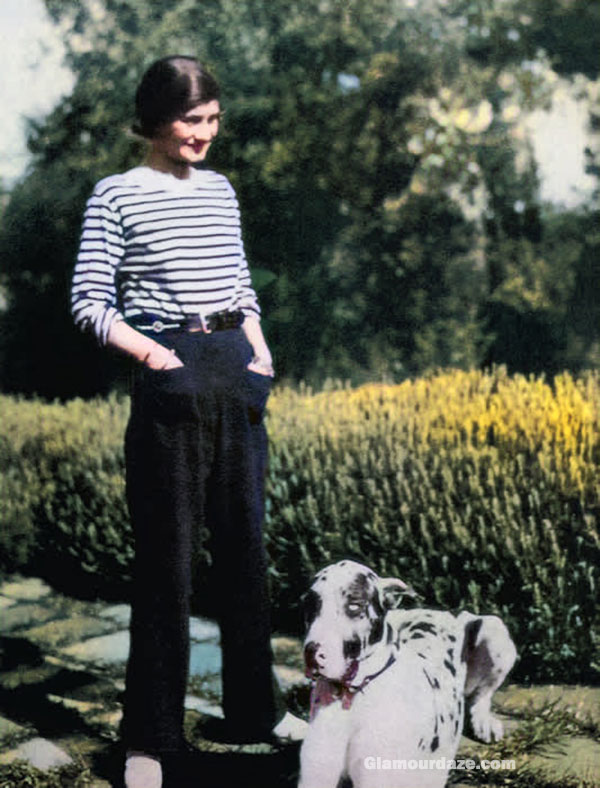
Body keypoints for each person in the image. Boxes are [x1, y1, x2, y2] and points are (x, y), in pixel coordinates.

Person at [71, 55, 306, 788]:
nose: (204, 134)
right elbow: (89, 301)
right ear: (154, 118)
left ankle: (252, 714)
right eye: (190, 120)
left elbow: (238, 279)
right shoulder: (115, 195)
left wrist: (259, 350)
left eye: (212, 120)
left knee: (244, 552)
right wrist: (153, 355)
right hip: (171, 373)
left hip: (235, 367)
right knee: (166, 567)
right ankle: (149, 740)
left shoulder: (221, 190)